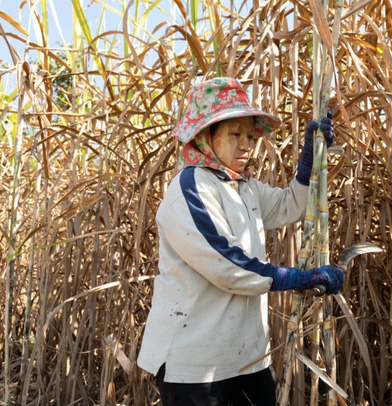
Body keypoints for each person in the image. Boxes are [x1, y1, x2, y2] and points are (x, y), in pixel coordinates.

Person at [137, 77, 345, 406]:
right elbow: (227, 265)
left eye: (249, 135)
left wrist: (310, 159)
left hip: (247, 358)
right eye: (234, 134)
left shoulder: (243, 187)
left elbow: (291, 204)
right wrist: (299, 278)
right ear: (206, 136)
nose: (246, 145)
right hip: (195, 364)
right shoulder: (190, 187)